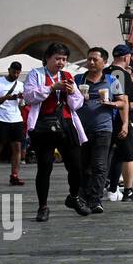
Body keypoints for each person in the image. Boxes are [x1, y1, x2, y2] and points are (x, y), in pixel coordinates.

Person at [23, 43, 86, 221]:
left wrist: (73, 92)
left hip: (66, 123)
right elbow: (28, 96)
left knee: (75, 166)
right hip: (44, 124)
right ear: (48, 58)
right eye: (57, 58)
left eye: (64, 59)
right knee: (45, 167)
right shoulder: (36, 74)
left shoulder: (67, 75)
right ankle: (43, 206)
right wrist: (51, 88)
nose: (61, 62)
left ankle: (74, 197)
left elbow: (77, 104)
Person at [74, 47, 124, 213]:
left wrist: (113, 104)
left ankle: (95, 200)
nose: (91, 62)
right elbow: (68, 100)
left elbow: (123, 102)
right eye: (89, 59)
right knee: (83, 166)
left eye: (95, 59)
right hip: (81, 129)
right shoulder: (78, 79)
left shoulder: (112, 81)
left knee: (100, 165)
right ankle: (84, 197)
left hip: (103, 128)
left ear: (104, 62)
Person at [105, 44, 133, 203]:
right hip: (120, 119)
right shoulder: (119, 73)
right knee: (127, 156)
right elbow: (125, 101)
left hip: (105, 120)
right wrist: (125, 123)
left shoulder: (105, 71)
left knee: (113, 156)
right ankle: (128, 190)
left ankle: (112, 187)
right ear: (126, 57)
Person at [0, 61, 27, 187]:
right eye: (14, 72)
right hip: (1, 118)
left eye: (18, 73)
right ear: (9, 70)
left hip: (16, 118)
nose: (16, 74)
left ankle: (14, 176)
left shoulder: (20, 84)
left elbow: (22, 104)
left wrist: (21, 99)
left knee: (17, 147)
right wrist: (6, 97)